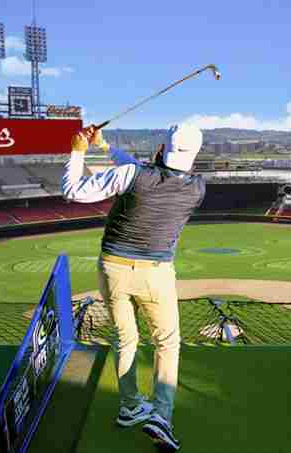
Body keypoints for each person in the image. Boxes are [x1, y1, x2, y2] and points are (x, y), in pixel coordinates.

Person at [62, 123, 206, 451]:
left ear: (160, 149)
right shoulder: (198, 187)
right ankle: (161, 416)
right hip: (156, 274)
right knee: (167, 343)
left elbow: (74, 190)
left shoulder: (132, 175)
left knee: (125, 338)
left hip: (113, 268)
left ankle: (129, 407)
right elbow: (139, 169)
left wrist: (78, 151)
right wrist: (102, 147)